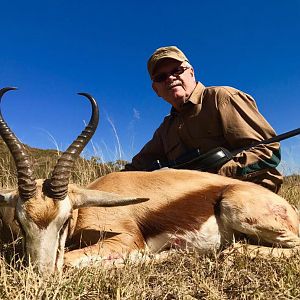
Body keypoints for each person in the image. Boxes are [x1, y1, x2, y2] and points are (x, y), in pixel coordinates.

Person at [123, 46, 283, 193]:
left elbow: (269, 151)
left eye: (177, 70)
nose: (170, 78)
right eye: (161, 77)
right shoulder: (165, 129)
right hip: (198, 200)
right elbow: (137, 166)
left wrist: (209, 179)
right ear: (156, 89)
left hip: (250, 193)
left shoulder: (222, 98)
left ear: (191, 72)